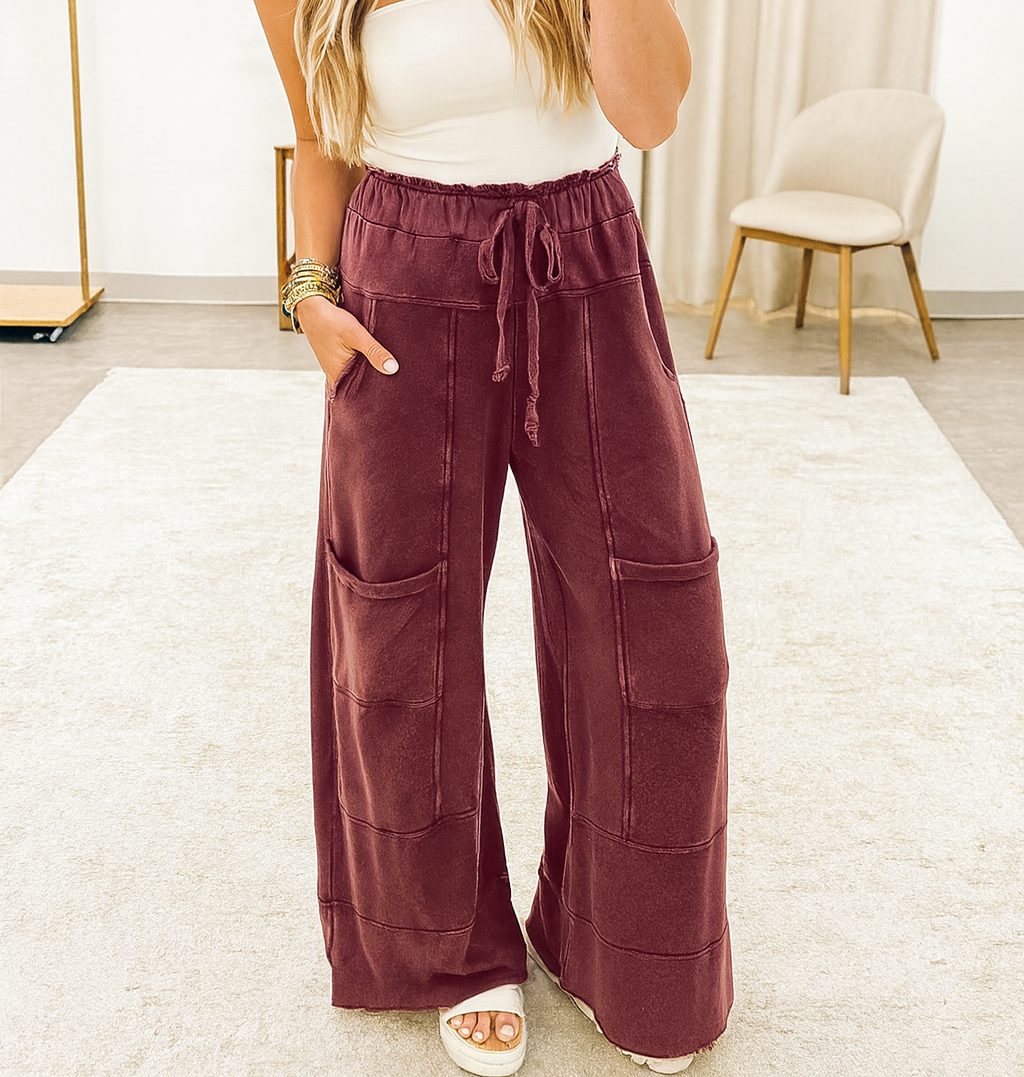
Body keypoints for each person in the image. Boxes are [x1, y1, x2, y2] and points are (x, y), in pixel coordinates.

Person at [254, 0, 733, 1073]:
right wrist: (310, 292)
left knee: (654, 620)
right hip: (402, 281)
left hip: (585, 260)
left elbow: (649, 115)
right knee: (400, 627)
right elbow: (320, 135)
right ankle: (448, 953)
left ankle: (632, 953)